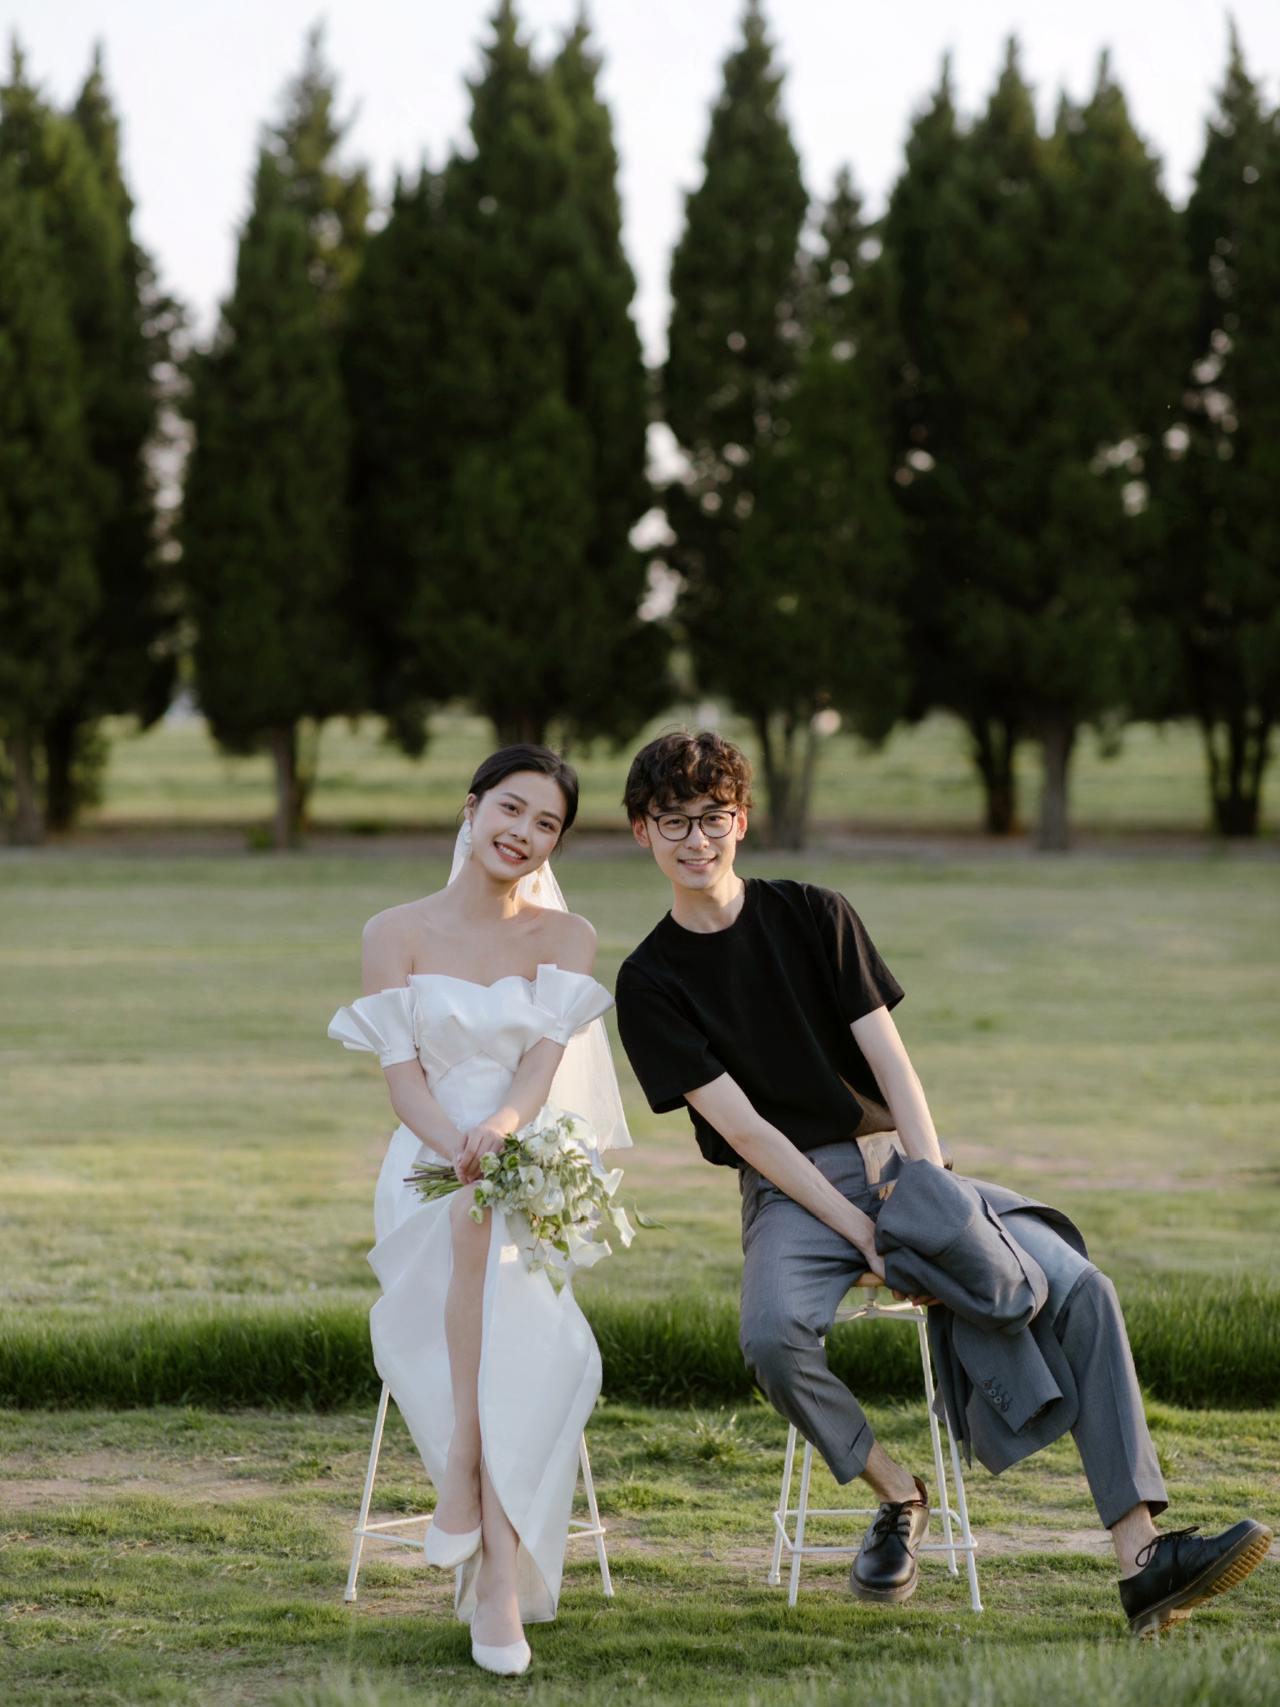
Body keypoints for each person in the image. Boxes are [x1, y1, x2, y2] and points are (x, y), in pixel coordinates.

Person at [613, 728, 1270, 1637]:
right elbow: (750, 1132)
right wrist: (864, 1233)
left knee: (1082, 1286)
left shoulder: (814, 912)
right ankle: (897, 1493)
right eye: (674, 820)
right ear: (641, 831)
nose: (698, 839)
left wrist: (929, 1192)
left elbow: (894, 1065)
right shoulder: (647, 981)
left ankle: (1143, 1556)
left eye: (714, 816)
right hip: (791, 1189)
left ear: (743, 819)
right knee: (770, 1335)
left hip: (900, 1161)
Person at [328, 745, 630, 1676]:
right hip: (427, 1162)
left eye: (547, 824)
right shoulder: (393, 931)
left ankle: (486, 1534)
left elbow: (539, 1072)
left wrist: (499, 1130)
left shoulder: (567, 936)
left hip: (526, 1151)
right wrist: (460, 1145)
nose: (523, 833)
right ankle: (487, 1544)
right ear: (471, 808)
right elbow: (404, 1085)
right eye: (510, 808)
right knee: (467, 1215)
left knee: (501, 1253)